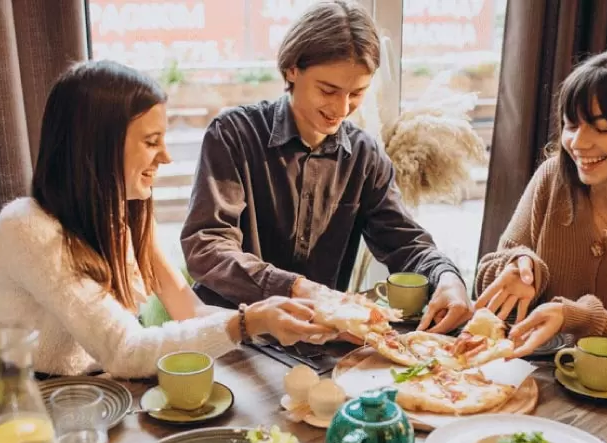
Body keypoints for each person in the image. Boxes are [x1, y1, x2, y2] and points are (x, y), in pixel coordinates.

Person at [0, 60, 337, 382]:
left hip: (108, 391)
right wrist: (247, 322)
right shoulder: (27, 228)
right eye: (152, 142)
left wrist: (270, 318)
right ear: (95, 146)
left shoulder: (124, 214)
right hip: (33, 404)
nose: (166, 157)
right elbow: (125, 351)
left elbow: (189, 310)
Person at [180, 0, 471, 334]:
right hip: (231, 334)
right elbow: (206, 246)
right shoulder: (233, 134)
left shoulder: (364, 155)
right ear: (292, 69)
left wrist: (446, 276)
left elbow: (406, 244)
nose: (341, 108)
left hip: (314, 340)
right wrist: (295, 288)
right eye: (328, 90)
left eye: (357, 93)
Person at [475, 46, 607, 367]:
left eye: (602, 128)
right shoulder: (551, 177)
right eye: (571, 125)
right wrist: (519, 270)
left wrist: (579, 318)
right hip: (533, 382)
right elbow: (490, 276)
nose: (578, 143)